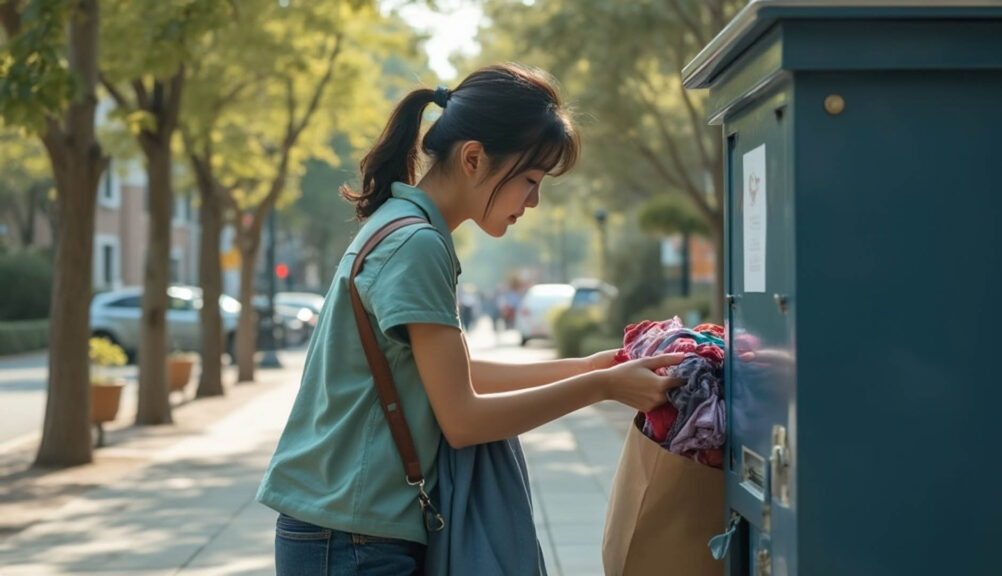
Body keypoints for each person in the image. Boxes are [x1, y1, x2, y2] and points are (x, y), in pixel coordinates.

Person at [256, 63, 685, 575]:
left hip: (345, 525)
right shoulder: (417, 244)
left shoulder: (400, 227)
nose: (534, 201)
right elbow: (462, 420)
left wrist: (590, 368)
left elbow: (456, 375)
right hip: (352, 537)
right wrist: (603, 388)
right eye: (529, 179)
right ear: (475, 159)